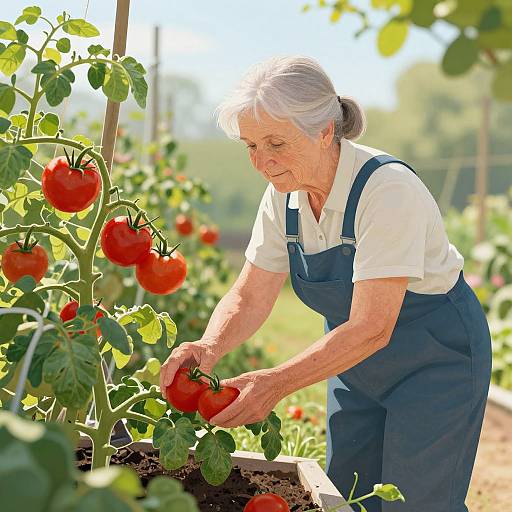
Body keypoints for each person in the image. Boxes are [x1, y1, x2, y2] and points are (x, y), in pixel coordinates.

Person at [159, 55, 492, 512]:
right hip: (355, 366)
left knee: (415, 504)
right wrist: (210, 346)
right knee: (345, 499)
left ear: (324, 131)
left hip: (435, 361)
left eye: (275, 142)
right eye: (251, 146)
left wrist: (275, 383)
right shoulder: (285, 197)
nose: (262, 162)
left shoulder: (386, 190)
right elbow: (250, 295)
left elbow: (374, 325)